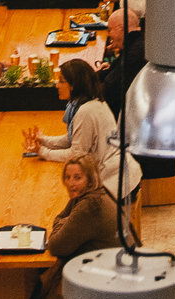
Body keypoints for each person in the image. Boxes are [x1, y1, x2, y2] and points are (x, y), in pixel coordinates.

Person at [23, 58, 133, 197]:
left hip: (114, 184)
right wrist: (43, 140)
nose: (57, 85)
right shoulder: (94, 103)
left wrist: (44, 152)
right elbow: (73, 139)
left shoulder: (86, 111)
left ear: (73, 85)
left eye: (62, 81)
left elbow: (76, 154)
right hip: (120, 175)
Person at [34, 156, 123, 299]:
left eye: (77, 178)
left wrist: (62, 223)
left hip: (110, 280)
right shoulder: (92, 194)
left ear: (90, 180)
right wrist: (63, 222)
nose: (70, 183)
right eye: (67, 177)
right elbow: (61, 219)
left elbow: (55, 246)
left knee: (38, 297)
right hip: (111, 265)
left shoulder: (88, 206)